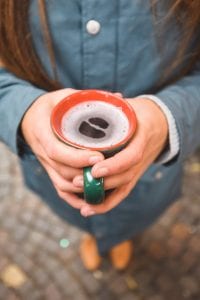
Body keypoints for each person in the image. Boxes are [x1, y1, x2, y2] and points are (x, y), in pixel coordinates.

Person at [0, 0, 200, 271]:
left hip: (152, 180)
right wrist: (22, 110)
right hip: (54, 179)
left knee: (134, 217)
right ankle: (94, 234)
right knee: (82, 211)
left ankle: (120, 236)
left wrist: (167, 118)